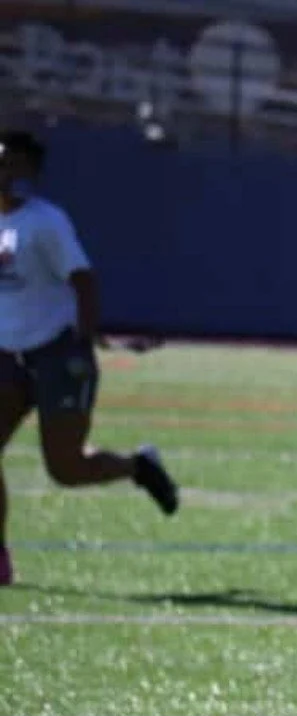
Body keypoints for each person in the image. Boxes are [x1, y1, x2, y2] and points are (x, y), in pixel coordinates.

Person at [0, 130, 178, 586]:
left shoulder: (46, 222)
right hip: (8, 356)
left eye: (12, 164)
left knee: (66, 468)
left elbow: (83, 279)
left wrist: (86, 335)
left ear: (29, 174)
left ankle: (138, 467)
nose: (4, 171)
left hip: (57, 354)